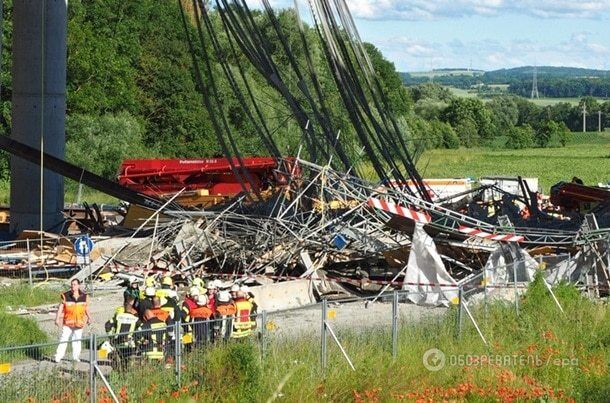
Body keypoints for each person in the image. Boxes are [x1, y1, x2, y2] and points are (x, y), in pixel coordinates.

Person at [54, 279, 92, 363]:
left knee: (77, 341)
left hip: (79, 323)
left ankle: (75, 357)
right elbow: (61, 308)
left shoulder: (84, 296)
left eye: (74, 284)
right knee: (64, 339)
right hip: (68, 323)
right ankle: (58, 356)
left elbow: (86, 308)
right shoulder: (66, 295)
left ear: (78, 285)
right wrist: (57, 318)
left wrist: (89, 317)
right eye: (71, 285)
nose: (72, 286)